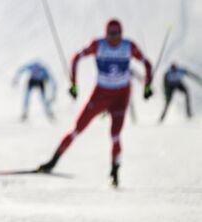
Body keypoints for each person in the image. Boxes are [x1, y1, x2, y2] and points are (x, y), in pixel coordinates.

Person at [36, 19, 153, 187]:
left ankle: (114, 172)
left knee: (115, 135)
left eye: (118, 34)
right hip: (100, 94)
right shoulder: (98, 45)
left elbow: (147, 63)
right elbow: (76, 58)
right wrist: (74, 84)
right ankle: (52, 162)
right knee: (77, 129)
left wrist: (147, 86)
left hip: (121, 95)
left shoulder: (128, 46)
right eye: (112, 34)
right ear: (106, 34)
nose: (115, 38)